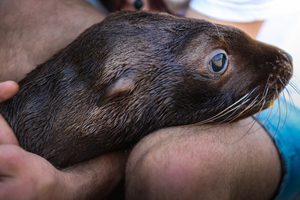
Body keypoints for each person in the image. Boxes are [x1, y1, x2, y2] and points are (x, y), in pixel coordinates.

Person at [0, 0, 299, 200]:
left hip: (265, 110)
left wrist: (69, 186)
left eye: (217, 62)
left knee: (174, 170)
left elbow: (212, 60)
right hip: (120, 43)